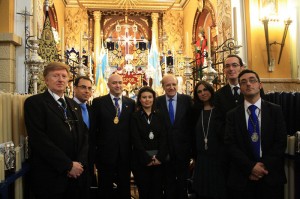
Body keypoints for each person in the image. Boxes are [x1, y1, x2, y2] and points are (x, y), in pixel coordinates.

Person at [24, 62, 89, 199]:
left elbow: (84, 136)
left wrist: (79, 164)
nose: (60, 79)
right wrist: (67, 165)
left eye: (64, 76)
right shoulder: (35, 103)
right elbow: (39, 140)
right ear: (46, 80)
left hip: (75, 175)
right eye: (55, 76)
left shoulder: (73, 105)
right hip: (50, 175)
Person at [225, 69, 287, 199]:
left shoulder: (275, 110)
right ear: (240, 88)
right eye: (243, 82)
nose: (248, 84)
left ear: (260, 85)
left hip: (270, 176)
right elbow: (230, 145)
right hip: (242, 178)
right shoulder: (232, 115)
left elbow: (280, 142)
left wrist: (262, 167)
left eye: (252, 80)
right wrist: (250, 167)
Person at [92, 73, 135, 199]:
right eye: (114, 83)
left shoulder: (131, 103)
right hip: (105, 153)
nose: (118, 85)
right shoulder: (98, 102)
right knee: (105, 188)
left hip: (125, 154)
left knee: (124, 187)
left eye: (120, 82)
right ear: (108, 85)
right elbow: (94, 129)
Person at [156, 74, 193, 199]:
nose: (171, 87)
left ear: (177, 85)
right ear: (163, 87)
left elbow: (191, 124)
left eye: (173, 84)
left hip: (183, 150)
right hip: (165, 151)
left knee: (182, 184)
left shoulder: (187, 100)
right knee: (167, 184)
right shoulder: (157, 101)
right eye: (168, 85)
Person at [131, 86, 169, 199]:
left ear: (154, 99)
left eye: (150, 97)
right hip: (141, 161)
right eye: (144, 97)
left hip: (159, 161)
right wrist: (146, 158)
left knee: (157, 191)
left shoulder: (161, 115)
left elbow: (164, 137)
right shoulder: (134, 117)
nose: (147, 100)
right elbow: (135, 139)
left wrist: (160, 157)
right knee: (144, 191)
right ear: (139, 99)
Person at [191, 81, 227, 199]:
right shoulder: (195, 111)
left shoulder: (220, 110)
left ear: (211, 91)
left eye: (205, 90)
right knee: (202, 192)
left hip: (218, 159)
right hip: (201, 159)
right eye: (199, 92)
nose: (203, 93)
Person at [73, 76, 97, 194]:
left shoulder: (91, 109)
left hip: (89, 163)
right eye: (83, 87)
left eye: (89, 88)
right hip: (72, 164)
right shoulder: (67, 107)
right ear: (74, 88)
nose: (87, 91)